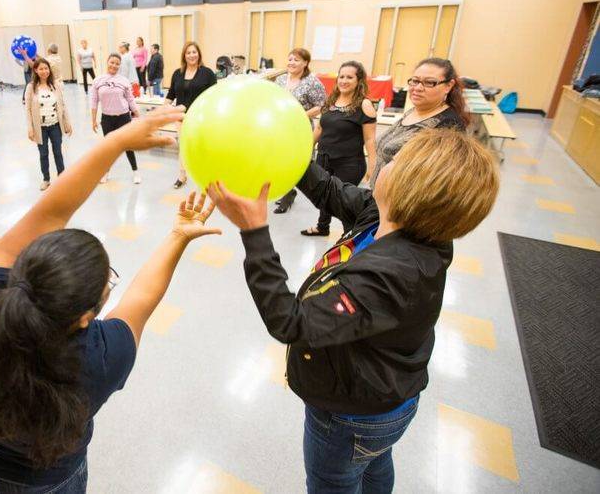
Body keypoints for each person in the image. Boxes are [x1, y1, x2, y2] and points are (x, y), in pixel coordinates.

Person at [208, 128, 499, 494]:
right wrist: (286, 149)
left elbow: (291, 321)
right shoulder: (390, 218)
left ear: (412, 189)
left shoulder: (394, 274)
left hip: (354, 414)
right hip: (383, 398)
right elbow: (329, 191)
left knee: (335, 482)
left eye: (397, 163)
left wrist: (254, 232)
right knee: (374, 466)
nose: (385, 163)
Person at [0, 106, 218, 493]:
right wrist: (178, 235)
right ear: (85, 318)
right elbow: (143, 296)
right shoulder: (101, 360)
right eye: (108, 281)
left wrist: (117, 140)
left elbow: (51, 211)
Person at [299, 61, 377, 237]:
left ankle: (350, 236)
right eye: (341, 76)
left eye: (349, 77)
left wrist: (373, 165)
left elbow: (370, 139)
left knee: (345, 203)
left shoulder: (364, 105)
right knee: (325, 197)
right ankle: (322, 227)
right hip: (324, 158)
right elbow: (320, 129)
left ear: (359, 81)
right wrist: (305, 149)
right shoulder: (331, 100)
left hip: (349, 164)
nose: (344, 80)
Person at [370, 57, 469, 187]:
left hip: (401, 203)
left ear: (448, 86)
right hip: (378, 197)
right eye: (415, 81)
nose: (417, 88)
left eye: (429, 83)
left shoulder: (448, 125)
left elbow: (436, 182)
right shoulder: (414, 111)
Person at [272, 48, 328, 214]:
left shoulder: (312, 82)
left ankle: (289, 193)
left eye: (296, 60)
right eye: (290, 59)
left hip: (299, 127)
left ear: (305, 63)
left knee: (293, 162)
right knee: (279, 160)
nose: (292, 63)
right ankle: (287, 190)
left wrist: (300, 114)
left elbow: (322, 105)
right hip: (280, 127)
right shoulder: (281, 79)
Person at [165, 41, 217, 189]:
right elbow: (171, 94)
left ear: (199, 54)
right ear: (184, 56)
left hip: (200, 119)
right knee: (183, 147)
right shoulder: (177, 73)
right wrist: (162, 110)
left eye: (194, 52)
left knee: (202, 147)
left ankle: (208, 177)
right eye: (188, 53)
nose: (192, 55)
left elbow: (213, 96)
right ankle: (182, 176)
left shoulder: (207, 73)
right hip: (181, 117)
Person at [89, 54, 142, 185]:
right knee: (109, 148)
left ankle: (135, 172)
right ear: (107, 62)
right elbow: (94, 101)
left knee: (128, 146)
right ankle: (106, 172)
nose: (114, 65)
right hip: (107, 119)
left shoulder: (124, 81)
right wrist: (93, 120)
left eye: (117, 63)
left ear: (120, 65)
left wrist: (137, 114)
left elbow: (130, 99)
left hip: (123, 118)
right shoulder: (98, 80)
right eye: (112, 62)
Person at [25, 58, 73, 191]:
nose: (44, 71)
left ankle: (62, 177)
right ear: (35, 70)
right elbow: (28, 109)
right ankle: (46, 179)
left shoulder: (55, 85)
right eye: (41, 69)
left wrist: (67, 123)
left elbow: (62, 105)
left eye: (46, 68)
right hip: (40, 128)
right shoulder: (31, 87)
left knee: (58, 152)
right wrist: (30, 128)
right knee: (43, 154)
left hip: (55, 125)